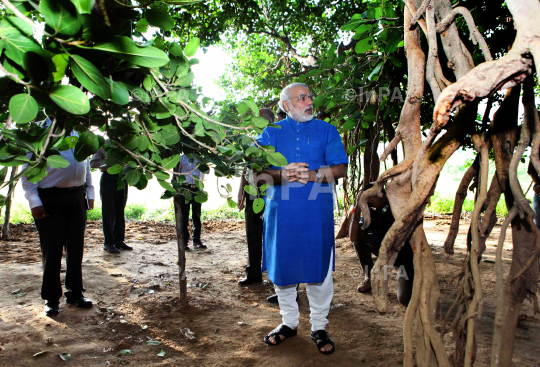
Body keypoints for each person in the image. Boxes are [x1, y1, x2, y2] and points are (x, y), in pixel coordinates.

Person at [257, 83, 348, 354]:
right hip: (280, 213)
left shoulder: (326, 130)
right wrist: (282, 174)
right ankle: (289, 323)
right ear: (286, 105)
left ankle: (319, 325)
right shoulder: (270, 133)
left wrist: (315, 175)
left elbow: (341, 168)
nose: (309, 101)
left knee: (318, 272)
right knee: (283, 270)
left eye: (310, 96)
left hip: (315, 214)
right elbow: (258, 171)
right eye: (302, 97)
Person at [21, 118, 95, 316]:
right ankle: (51, 298)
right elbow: (28, 174)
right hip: (50, 199)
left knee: (76, 247)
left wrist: (90, 192)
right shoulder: (42, 135)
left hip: (77, 196)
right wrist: (34, 202)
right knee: (52, 250)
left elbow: (85, 165)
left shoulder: (78, 133)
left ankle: (75, 292)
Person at [351, 183, 414, 306]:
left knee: (405, 299)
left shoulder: (396, 207)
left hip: (404, 260)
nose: (371, 200)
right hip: (385, 255)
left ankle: (417, 279)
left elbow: (405, 228)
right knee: (359, 240)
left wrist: (382, 208)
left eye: (374, 196)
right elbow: (354, 237)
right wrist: (357, 208)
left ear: (384, 196)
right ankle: (369, 277)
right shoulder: (368, 213)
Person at [237, 109, 274, 286]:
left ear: (267, 120)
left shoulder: (275, 141)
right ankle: (253, 275)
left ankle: (277, 279)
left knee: (273, 237)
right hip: (253, 196)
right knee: (252, 235)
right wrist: (241, 192)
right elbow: (246, 169)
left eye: (257, 119)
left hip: (271, 197)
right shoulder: (253, 140)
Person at [90, 147, 132, 254]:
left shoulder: (125, 144)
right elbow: (93, 163)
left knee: (120, 210)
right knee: (108, 210)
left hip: (122, 177)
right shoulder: (103, 145)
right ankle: (108, 243)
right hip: (108, 177)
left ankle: (119, 241)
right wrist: (111, 163)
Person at [178, 154, 207, 250]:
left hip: (197, 188)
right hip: (185, 188)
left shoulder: (200, 158)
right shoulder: (181, 158)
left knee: (197, 215)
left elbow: (203, 173)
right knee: (184, 216)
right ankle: (185, 241)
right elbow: (177, 173)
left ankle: (196, 239)